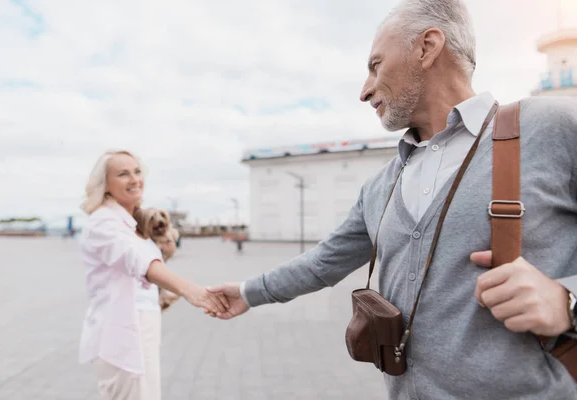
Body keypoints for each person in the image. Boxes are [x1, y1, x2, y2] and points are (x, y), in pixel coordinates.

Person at [207, 0, 577, 398]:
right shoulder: (380, 184)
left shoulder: (552, 127)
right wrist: (247, 292)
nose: (364, 91)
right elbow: (321, 263)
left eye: (375, 65)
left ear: (427, 47)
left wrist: (567, 302)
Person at [78, 150, 229, 400]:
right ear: (105, 185)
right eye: (123, 174)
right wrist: (190, 290)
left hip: (141, 320)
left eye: (137, 171)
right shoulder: (103, 223)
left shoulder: (128, 221)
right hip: (123, 327)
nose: (135, 179)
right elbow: (135, 259)